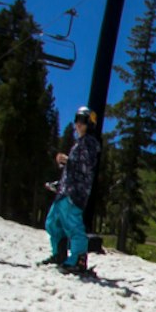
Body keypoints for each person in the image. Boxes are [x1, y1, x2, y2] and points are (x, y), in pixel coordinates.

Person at [44, 107, 102, 274]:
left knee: (73, 225)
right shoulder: (79, 143)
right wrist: (58, 182)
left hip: (74, 193)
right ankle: (59, 254)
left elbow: (86, 167)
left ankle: (78, 258)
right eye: (76, 119)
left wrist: (68, 161)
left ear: (89, 123)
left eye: (82, 120)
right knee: (52, 223)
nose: (77, 123)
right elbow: (73, 170)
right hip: (64, 191)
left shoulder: (89, 143)